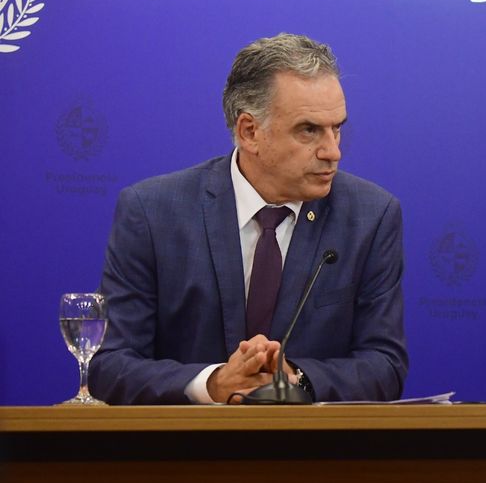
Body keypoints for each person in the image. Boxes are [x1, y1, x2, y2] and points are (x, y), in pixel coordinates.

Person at [90, 33, 407, 404]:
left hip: (315, 455)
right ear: (249, 131)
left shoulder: (370, 215)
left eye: (337, 128)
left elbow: (385, 365)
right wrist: (212, 384)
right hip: (182, 454)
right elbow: (109, 365)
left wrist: (295, 377)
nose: (333, 151)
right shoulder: (152, 212)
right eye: (309, 130)